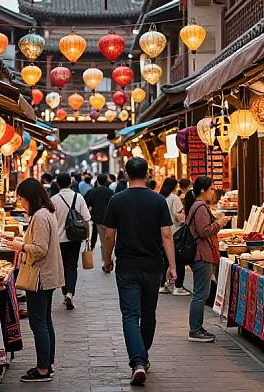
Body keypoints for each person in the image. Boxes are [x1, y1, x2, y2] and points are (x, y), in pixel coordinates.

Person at [103, 157, 177, 386]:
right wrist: (172, 265)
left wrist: (107, 260)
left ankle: (137, 360)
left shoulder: (117, 200)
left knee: (130, 315)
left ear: (126, 174)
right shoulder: (158, 201)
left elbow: (108, 236)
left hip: (127, 265)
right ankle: (142, 357)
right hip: (152, 265)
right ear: (147, 174)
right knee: (149, 313)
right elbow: (166, 235)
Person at [3, 178, 64, 383]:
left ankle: (43, 369)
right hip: (47, 276)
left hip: (40, 277)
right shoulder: (47, 213)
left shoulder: (39, 217)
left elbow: (39, 249)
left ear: (30, 198)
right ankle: (48, 363)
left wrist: (18, 245)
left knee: (39, 324)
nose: (20, 203)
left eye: (21, 199)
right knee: (45, 321)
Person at [187, 176, 230, 343]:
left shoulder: (199, 206)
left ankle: (197, 327)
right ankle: (195, 330)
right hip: (202, 254)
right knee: (200, 294)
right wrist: (219, 223)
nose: (213, 192)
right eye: (211, 189)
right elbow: (204, 231)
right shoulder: (200, 207)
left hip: (202, 254)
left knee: (201, 293)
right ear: (203, 190)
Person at [51, 173, 91, 310]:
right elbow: (86, 219)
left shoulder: (54, 199)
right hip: (75, 238)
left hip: (59, 239)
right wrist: (88, 238)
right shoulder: (78, 197)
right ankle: (70, 293)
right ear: (71, 183)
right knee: (72, 267)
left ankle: (64, 292)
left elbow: (50, 221)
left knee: (62, 267)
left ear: (57, 184)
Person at [158, 178, 188, 296]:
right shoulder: (174, 198)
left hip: (161, 233)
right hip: (174, 232)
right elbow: (178, 215)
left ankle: (162, 285)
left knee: (164, 260)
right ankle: (178, 286)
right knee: (178, 260)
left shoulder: (160, 197)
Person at [85, 173, 114, 273]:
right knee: (111, 240)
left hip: (99, 219)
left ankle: (107, 262)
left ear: (97, 181)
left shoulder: (94, 191)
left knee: (103, 241)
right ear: (106, 181)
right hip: (111, 219)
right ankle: (109, 260)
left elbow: (88, 203)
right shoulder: (110, 192)